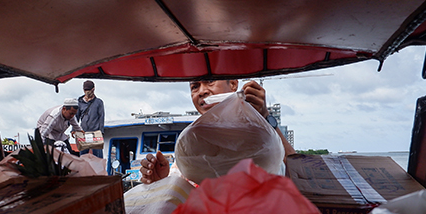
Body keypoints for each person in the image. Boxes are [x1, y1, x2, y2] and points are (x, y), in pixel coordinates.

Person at [140, 79, 296, 184]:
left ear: (234, 84)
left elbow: (303, 178)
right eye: (195, 87)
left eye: (209, 82)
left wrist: (265, 118)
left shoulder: (259, 136)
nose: (201, 91)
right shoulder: (190, 141)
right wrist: (161, 180)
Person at [76, 80, 105, 158]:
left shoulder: (99, 102)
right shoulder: (79, 102)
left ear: (93, 89)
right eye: (85, 90)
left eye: (89, 90)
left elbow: (101, 118)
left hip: (95, 133)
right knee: (82, 158)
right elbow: (76, 117)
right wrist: (73, 130)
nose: (87, 92)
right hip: (83, 133)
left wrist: (101, 132)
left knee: (98, 158)